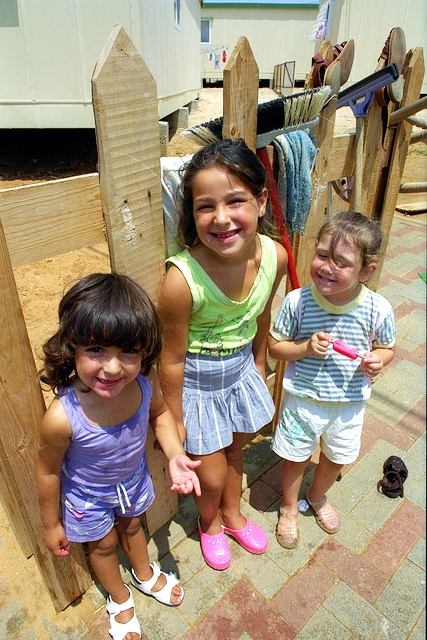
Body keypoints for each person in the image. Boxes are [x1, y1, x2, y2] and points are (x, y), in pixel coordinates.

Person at [36, 273, 202, 640]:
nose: (112, 368)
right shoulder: (63, 416)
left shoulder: (143, 384)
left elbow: (160, 414)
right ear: (72, 347)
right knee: (104, 544)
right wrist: (51, 524)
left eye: (128, 352)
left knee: (132, 527)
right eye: (96, 350)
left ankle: (143, 574)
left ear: (144, 352)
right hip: (87, 498)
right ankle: (119, 595)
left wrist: (174, 453)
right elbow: (47, 471)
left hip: (132, 480)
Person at [157, 138, 288, 570]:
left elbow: (262, 317)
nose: (221, 218)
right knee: (210, 475)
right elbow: (171, 359)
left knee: (238, 453)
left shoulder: (276, 257)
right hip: (197, 386)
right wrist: (174, 418)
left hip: (240, 374)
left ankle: (232, 515)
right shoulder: (182, 280)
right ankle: (208, 523)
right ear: (191, 213)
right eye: (205, 206)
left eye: (236, 201)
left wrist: (259, 364)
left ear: (262, 201)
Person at [269, 211, 396, 549]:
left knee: (336, 457)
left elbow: (387, 347)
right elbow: (275, 346)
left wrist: (377, 361)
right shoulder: (298, 302)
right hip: (302, 400)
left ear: (366, 271)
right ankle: (289, 506)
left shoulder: (378, 308)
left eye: (341, 262)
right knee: (296, 456)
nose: (326, 267)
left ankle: (318, 494)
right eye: (322, 255)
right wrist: (305, 347)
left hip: (349, 404)